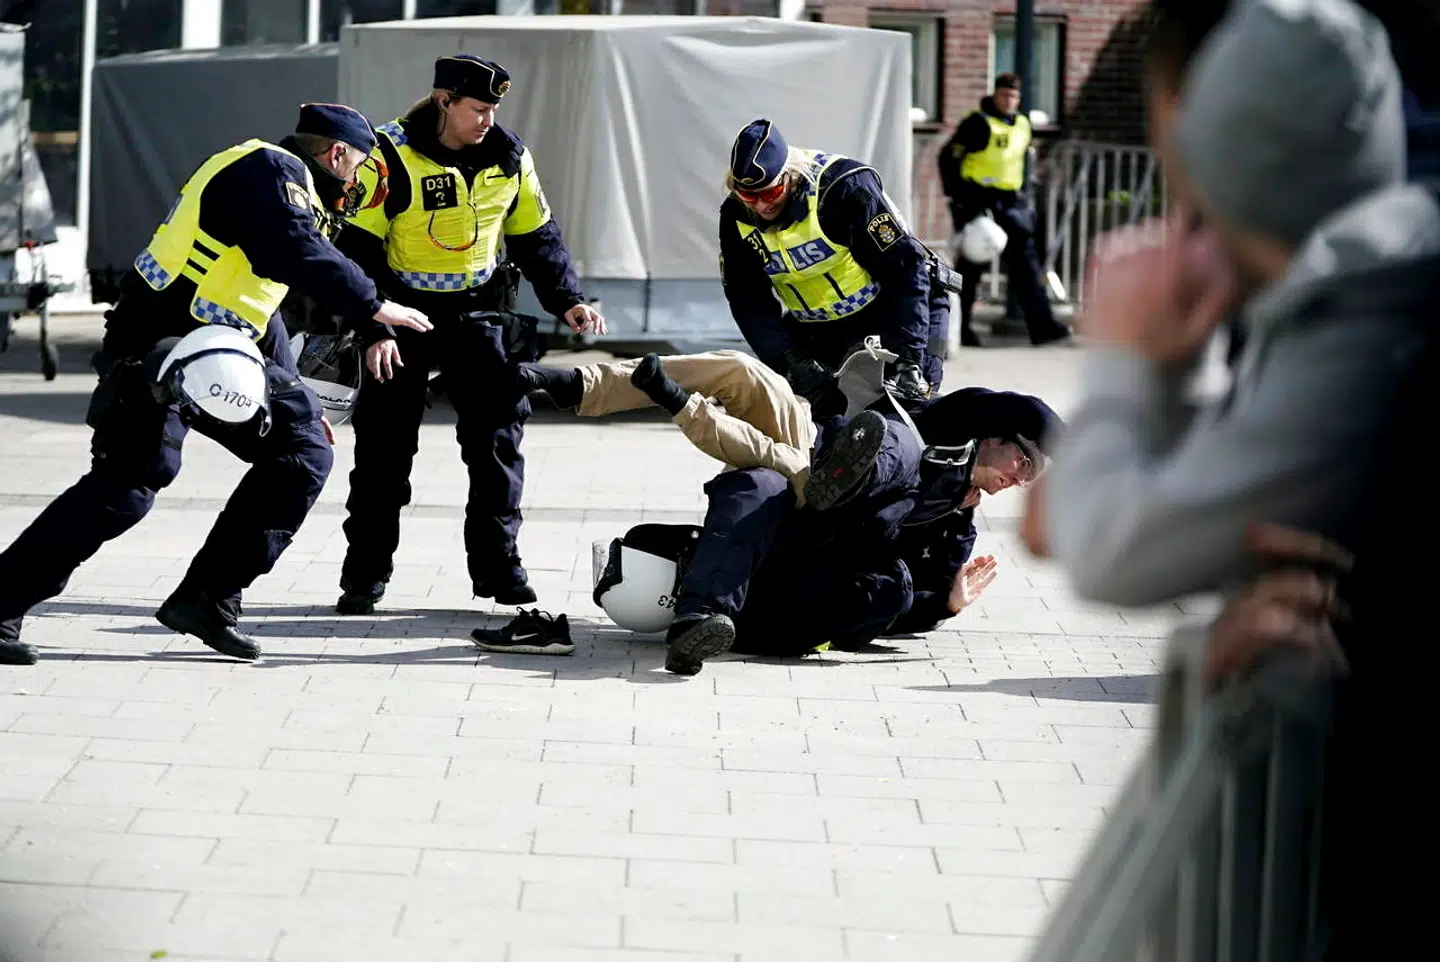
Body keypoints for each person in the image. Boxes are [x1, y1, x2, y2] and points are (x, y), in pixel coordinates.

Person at [1028, 0, 1437, 608]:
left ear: (1192, 117)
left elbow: (1111, 550)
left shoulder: (1365, 316)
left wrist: (1121, 358)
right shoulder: (1375, 261)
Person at [0, 104, 432, 667]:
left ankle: (209, 598)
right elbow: (298, 255)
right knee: (127, 487)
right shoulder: (269, 172)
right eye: (359, 173)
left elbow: (259, 302)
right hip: (158, 348)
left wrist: (296, 398)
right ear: (336, 154)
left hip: (220, 348)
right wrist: (376, 307)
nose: (357, 188)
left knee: (303, 449)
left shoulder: (286, 188)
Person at [332, 55, 606, 616]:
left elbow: (537, 237)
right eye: (478, 108)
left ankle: (499, 569)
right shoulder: (388, 157)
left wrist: (569, 299)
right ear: (444, 102)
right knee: (384, 452)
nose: (487, 119)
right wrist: (372, 327)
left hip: (480, 313)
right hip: (401, 314)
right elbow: (355, 251)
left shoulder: (509, 158)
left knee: (497, 445)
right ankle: (364, 574)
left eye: (493, 109)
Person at [718, 118, 949, 413]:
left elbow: (904, 270)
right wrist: (787, 358)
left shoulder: (844, 190)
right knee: (812, 422)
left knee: (908, 413)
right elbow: (746, 297)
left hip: (897, 307)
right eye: (750, 195)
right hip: (822, 327)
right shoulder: (736, 214)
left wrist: (908, 359)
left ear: (791, 175)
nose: (762, 205)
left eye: (771, 193)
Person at [938, 73, 1073, 348]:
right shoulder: (977, 123)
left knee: (1027, 266)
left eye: (1013, 96)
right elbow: (948, 158)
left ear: (1019, 99)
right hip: (979, 203)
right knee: (971, 268)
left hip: (1011, 202)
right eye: (1004, 95)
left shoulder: (1023, 124)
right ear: (995, 94)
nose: (1008, 100)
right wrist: (960, 199)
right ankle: (960, 330)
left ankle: (1043, 327)